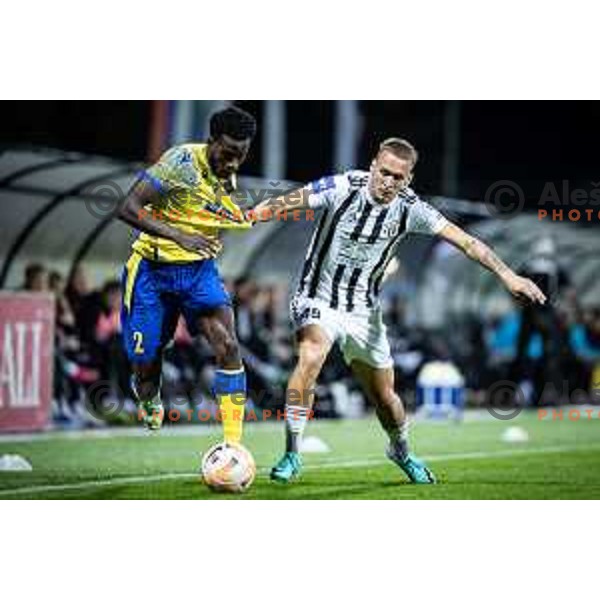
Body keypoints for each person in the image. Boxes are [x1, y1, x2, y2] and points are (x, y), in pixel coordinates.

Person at [250, 137, 546, 484]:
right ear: (374, 164)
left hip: (364, 312)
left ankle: (401, 450)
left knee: (386, 399)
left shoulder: (411, 208)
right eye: (384, 172)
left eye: (397, 177)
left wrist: (508, 275)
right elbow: (291, 201)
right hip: (317, 298)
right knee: (311, 355)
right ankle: (291, 452)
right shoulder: (342, 186)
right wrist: (253, 214)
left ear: (408, 179)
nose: (388, 182)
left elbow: (467, 242)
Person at [117, 105, 256, 441]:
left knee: (228, 345)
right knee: (146, 363)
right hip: (153, 271)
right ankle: (149, 397)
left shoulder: (229, 174)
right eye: (228, 152)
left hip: (197, 273)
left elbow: (210, 212)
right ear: (210, 141)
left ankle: (233, 444)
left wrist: (237, 221)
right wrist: (180, 235)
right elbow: (127, 208)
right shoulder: (179, 164)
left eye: (242, 154)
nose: (234, 162)